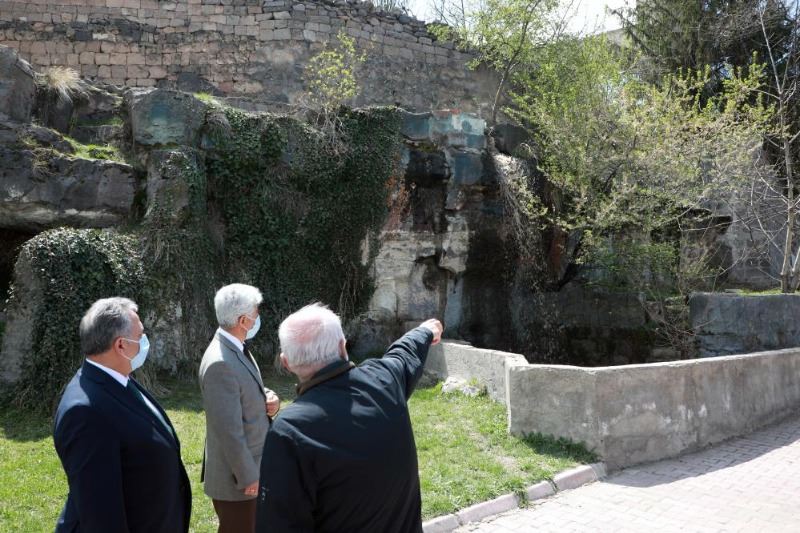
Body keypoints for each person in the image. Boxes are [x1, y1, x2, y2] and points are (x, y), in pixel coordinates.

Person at [255, 303, 443, 533]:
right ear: (342, 347)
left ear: (286, 363)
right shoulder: (384, 379)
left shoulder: (289, 430)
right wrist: (426, 330)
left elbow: (278, 523)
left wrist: (423, 332)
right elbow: (404, 352)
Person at [53, 297, 191, 533]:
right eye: (141, 335)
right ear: (120, 345)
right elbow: (101, 513)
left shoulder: (117, 378)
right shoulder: (85, 412)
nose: (145, 341)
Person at [199, 283, 281, 533]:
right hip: (238, 481)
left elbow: (243, 390)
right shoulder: (220, 362)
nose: (258, 317)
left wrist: (268, 397)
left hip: (249, 470)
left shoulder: (235, 347)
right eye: (256, 312)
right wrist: (248, 476)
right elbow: (229, 430)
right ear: (243, 320)